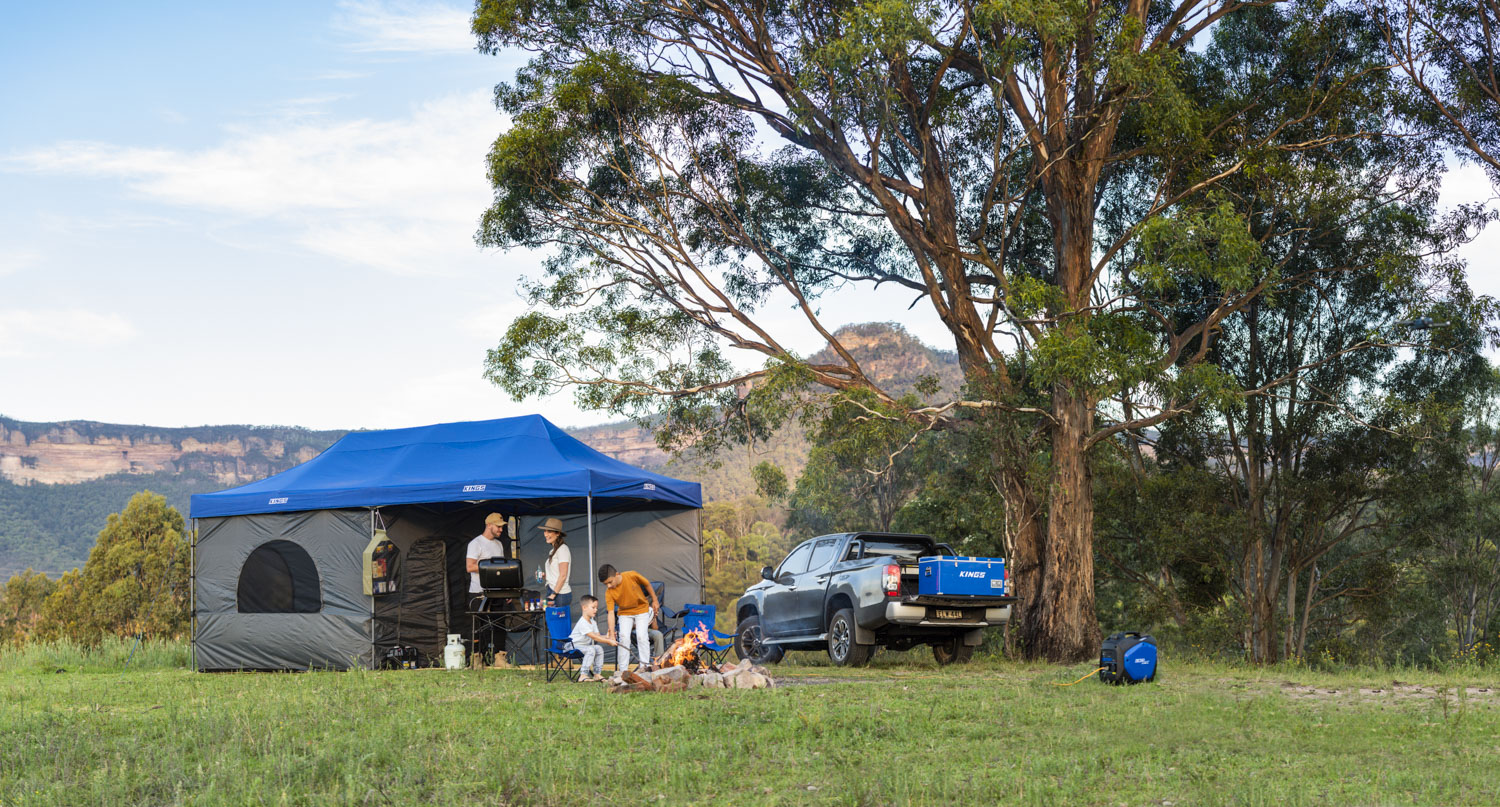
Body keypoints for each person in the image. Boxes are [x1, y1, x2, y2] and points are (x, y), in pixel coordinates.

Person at [598, 563, 660, 672]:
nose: (608, 586)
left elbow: (647, 584)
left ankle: (644, 667)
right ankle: (623, 671)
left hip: (641, 609)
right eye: (605, 584)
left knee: (641, 636)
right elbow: (611, 613)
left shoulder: (632, 575)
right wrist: (612, 633)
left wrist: (654, 600)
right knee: (623, 638)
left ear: (617, 574)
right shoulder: (609, 592)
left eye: (610, 582)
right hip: (624, 613)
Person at [466, 513, 510, 659]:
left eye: (501, 527)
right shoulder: (475, 544)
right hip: (479, 592)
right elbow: (470, 567)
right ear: (489, 525)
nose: (500, 530)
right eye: (498, 526)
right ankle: (478, 659)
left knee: (499, 625)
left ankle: (499, 658)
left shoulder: (499, 544)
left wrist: (506, 590)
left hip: (497, 592)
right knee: (479, 627)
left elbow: (501, 570)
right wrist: (489, 569)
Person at [568, 595, 617, 682]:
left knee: (598, 648)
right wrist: (608, 641)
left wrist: (607, 637)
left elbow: (597, 636)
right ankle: (583, 675)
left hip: (583, 647)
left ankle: (597, 674)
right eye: (593, 607)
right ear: (584, 608)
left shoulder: (593, 622)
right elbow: (594, 637)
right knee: (591, 649)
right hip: (572, 646)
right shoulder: (582, 622)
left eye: (596, 608)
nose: (596, 610)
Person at [540, 517, 572, 610]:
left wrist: (553, 594)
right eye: (545, 531)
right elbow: (556, 575)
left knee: (557, 623)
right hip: (552, 591)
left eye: (549, 531)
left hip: (559, 594)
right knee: (551, 621)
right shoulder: (553, 551)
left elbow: (563, 575)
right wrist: (545, 576)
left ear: (557, 534)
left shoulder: (563, 549)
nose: (546, 534)